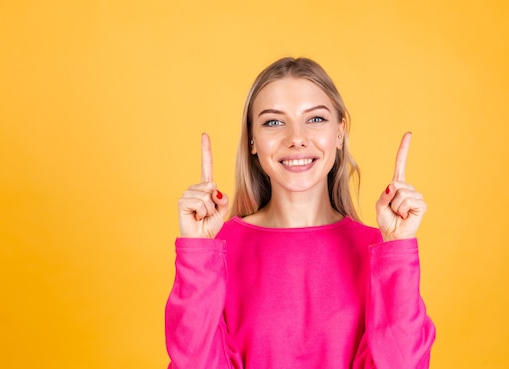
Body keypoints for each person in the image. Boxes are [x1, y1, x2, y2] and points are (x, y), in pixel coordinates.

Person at [165, 57, 436, 368]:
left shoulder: (381, 249)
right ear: (252, 139)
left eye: (316, 119)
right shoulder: (217, 248)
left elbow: (402, 363)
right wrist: (198, 251)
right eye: (274, 122)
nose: (296, 138)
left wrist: (398, 249)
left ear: (339, 132)